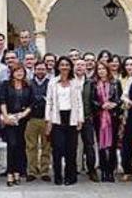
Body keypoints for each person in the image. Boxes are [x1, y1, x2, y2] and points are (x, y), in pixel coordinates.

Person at [45, 56, 83, 186]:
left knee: (71, 149)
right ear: (58, 67)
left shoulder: (75, 82)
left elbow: (79, 102)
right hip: (57, 117)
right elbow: (49, 102)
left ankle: (70, 176)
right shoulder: (52, 82)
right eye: (62, 65)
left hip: (71, 117)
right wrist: (48, 120)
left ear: (70, 67)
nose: (65, 67)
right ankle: (58, 176)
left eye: (67, 65)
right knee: (58, 148)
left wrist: (80, 119)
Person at [0, 62, 33, 186]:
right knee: (11, 145)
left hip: (22, 119)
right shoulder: (5, 85)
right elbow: (2, 101)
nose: (19, 73)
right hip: (9, 118)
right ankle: (9, 173)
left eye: (21, 71)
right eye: (17, 71)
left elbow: (31, 103)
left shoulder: (28, 86)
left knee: (19, 146)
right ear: (12, 73)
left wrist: (23, 114)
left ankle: (17, 172)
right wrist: (6, 116)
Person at [91, 61, 122, 183]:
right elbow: (92, 100)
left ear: (108, 70)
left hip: (112, 117)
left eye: (103, 69)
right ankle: (103, 170)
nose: (101, 71)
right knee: (101, 145)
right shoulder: (93, 84)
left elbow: (119, 99)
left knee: (113, 145)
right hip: (99, 117)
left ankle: (111, 170)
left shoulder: (115, 83)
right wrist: (101, 105)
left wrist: (113, 104)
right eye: (99, 69)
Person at [26, 61, 52, 182]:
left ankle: (45, 171)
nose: (40, 71)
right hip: (32, 119)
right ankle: (32, 170)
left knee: (46, 146)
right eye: (38, 69)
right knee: (31, 146)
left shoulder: (51, 83)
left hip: (46, 119)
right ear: (34, 70)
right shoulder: (29, 84)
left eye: (43, 69)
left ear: (46, 71)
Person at [74, 58, 97, 181]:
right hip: (72, 119)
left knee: (89, 145)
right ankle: (72, 169)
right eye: (77, 65)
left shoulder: (90, 82)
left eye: (82, 65)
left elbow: (93, 100)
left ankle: (91, 169)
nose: (80, 67)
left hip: (87, 118)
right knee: (72, 145)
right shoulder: (70, 82)